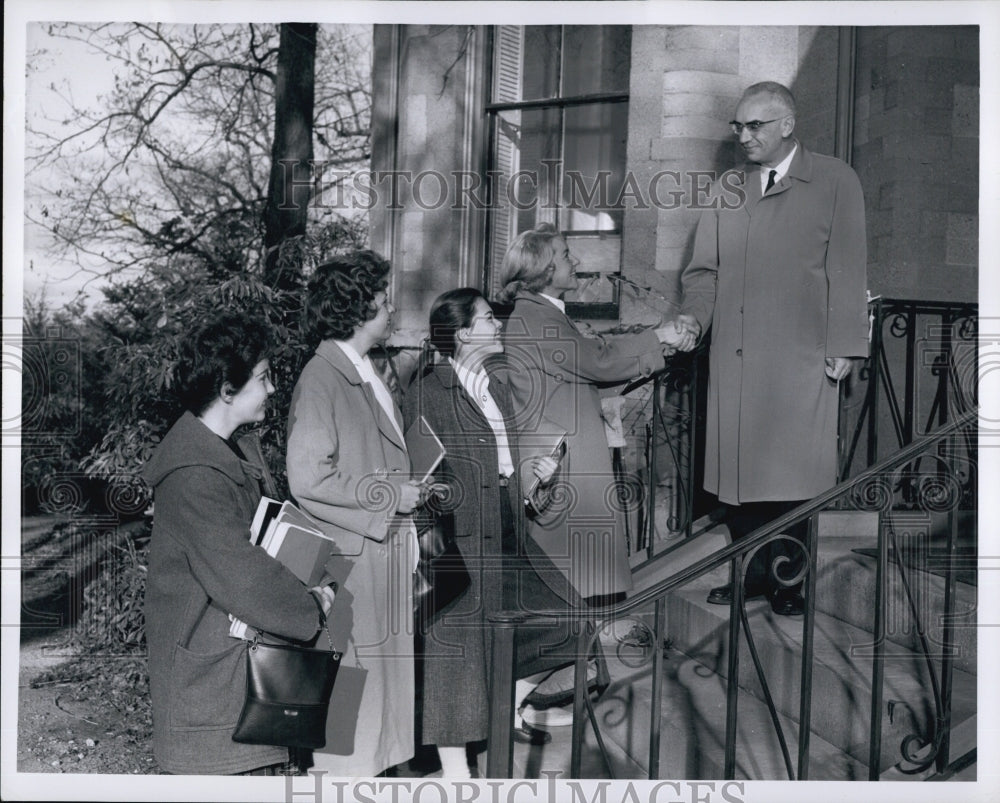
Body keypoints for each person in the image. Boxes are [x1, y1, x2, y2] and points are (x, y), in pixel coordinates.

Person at [676, 81, 869, 616]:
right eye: (737, 126)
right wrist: (693, 317)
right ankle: (753, 573)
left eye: (754, 125)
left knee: (793, 477)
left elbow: (848, 270)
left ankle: (789, 580)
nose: (742, 136)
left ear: (787, 124)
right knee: (739, 479)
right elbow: (703, 273)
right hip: (735, 359)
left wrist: (846, 344)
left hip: (800, 358)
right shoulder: (727, 189)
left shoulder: (835, 180)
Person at [497, 223, 693, 725]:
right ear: (543, 268)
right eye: (564, 254)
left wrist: (654, 351)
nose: (575, 262)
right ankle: (521, 703)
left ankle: (537, 698)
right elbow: (597, 359)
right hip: (557, 471)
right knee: (563, 591)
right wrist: (663, 336)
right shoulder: (537, 317)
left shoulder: (541, 315)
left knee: (570, 590)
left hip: (564, 462)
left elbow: (587, 368)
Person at [402, 288, 587, 773]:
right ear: (463, 333)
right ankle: (457, 771)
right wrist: (429, 538)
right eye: (488, 320)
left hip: (507, 530)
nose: (497, 326)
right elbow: (417, 472)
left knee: (571, 618)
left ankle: (508, 702)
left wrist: (534, 482)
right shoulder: (427, 391)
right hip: (456, 539)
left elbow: (502, 465)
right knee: (456, 659)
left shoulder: (495, 386)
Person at [143, 312, 336, 776]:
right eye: (263, 377)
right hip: (213, 688)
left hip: (235, 670)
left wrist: (314, 570)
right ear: (227, 390)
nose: (271, 389)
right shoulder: (193, 475)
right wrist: (310, 605)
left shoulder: (231, 451)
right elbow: (241, 575)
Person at [286, 252, 423, 777]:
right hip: (353, 562)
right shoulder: (322, 376)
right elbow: (308, 477)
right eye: (382, 296)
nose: (390, 305)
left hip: (378, 555)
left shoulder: (362, 369)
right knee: (352, 702)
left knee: (375, 701)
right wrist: (390, 497)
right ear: (356, 306)